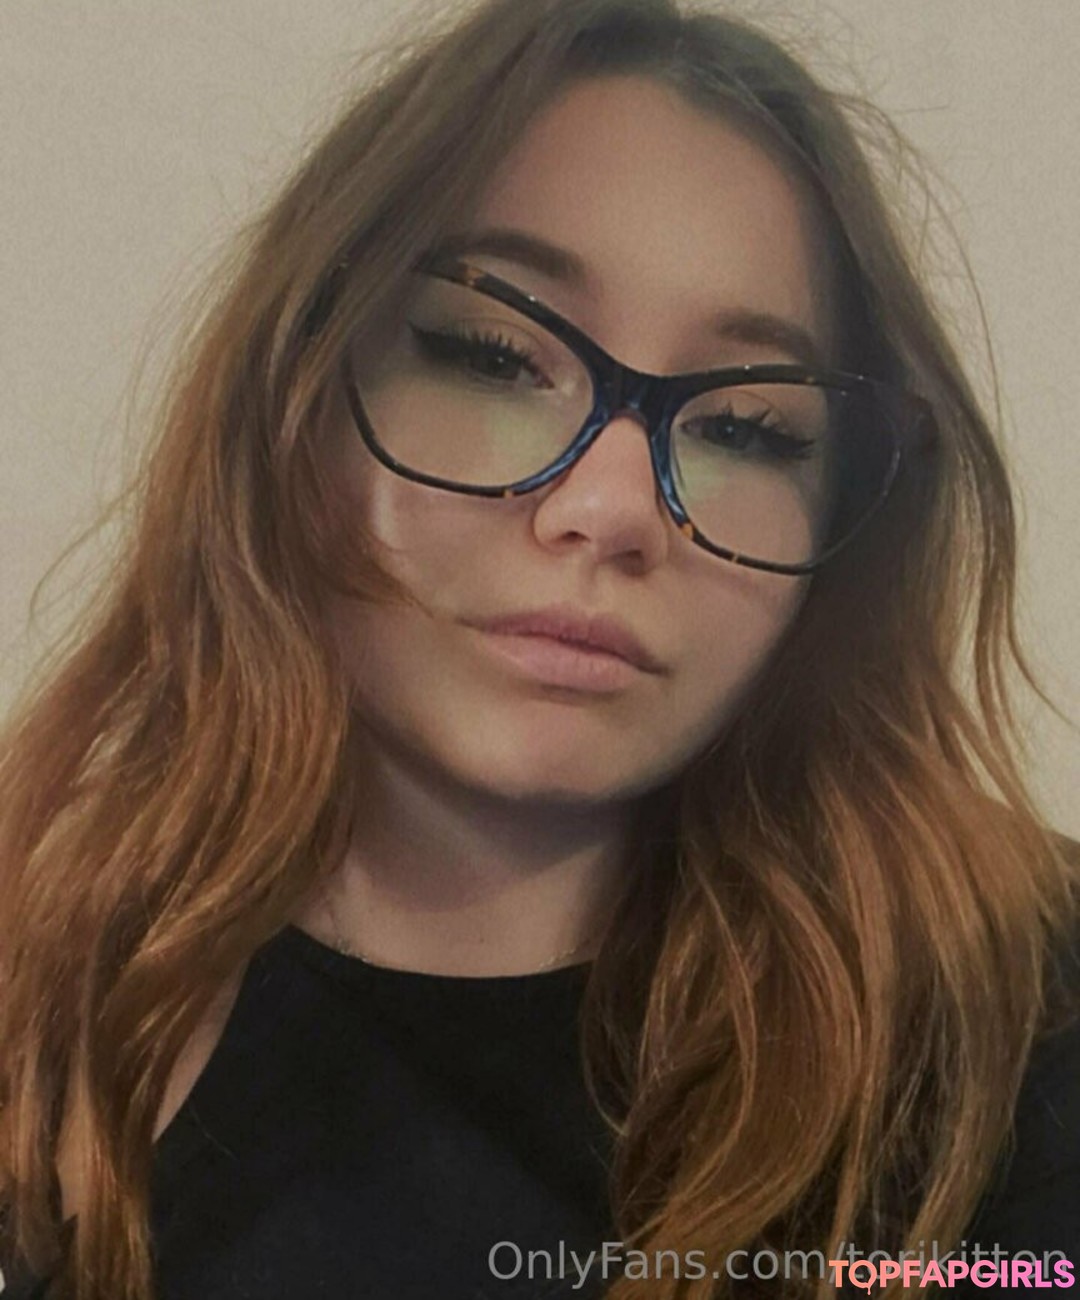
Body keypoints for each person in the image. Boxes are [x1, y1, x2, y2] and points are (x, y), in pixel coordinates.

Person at [1, 0, 1078, 1297]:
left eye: (747, 428)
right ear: (292, 397)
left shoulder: (1025, 1020)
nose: (613, 510)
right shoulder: (43, 996)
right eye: (492, 356)